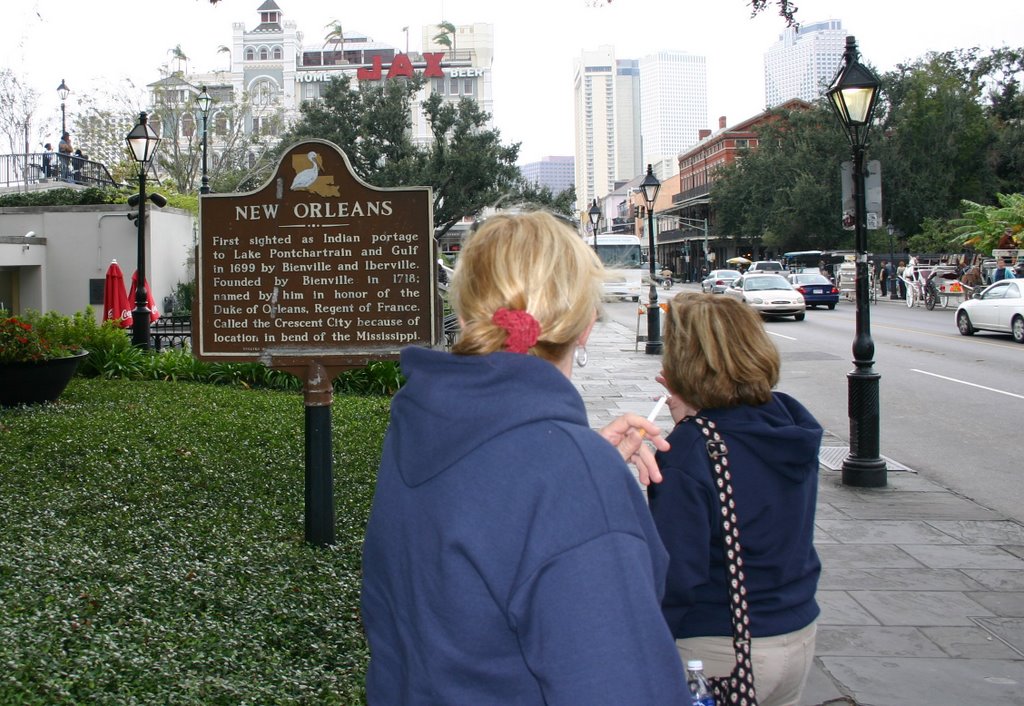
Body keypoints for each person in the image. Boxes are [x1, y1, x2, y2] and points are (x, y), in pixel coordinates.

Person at [360, 210, 689, 705]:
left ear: (467, 316)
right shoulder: (566, 476)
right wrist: (578, 475)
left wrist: (574, 463)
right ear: (584, 328)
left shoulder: (422, 428)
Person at [648, 293, 822, 706]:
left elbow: (674, 576)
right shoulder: (788, 421)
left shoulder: (690, 453)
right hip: (796, 632)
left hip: (720, 647)